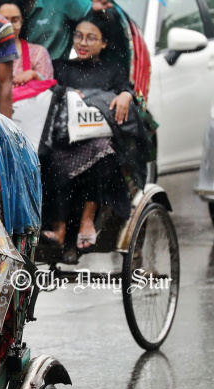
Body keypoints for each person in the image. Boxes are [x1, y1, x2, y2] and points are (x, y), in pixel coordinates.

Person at [41, 13, 146, 253]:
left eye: (91, 38)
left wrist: (125, 96)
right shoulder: (61, 67)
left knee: (101, 150)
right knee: (49, 157)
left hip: (100, 140)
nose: (83, 43)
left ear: (104, 43)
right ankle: (58, 229)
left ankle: (87, 219)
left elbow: (125, 90)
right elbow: (48, 90)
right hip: (65, 138)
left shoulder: (113, 69)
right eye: (78, 37)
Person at [0, 0, 115, 61]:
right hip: (1, 72)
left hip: (54, 79)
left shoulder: (63, 2)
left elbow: (96, 24)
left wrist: (95, 10)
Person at [0, 0, 53, 86]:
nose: (9, 26)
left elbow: (50, 92)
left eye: (15, 20)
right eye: (3, 20)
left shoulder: (38, 54)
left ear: (22, 22)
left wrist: (35, 76)